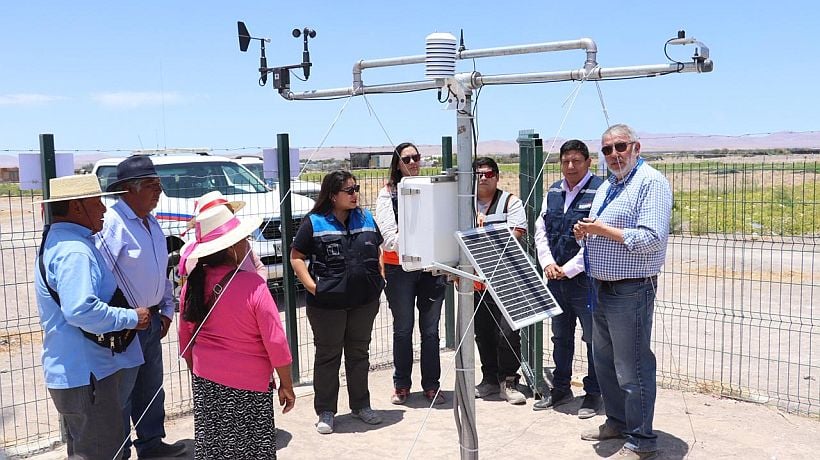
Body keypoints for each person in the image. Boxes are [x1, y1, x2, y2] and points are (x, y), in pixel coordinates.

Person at [34, 174, 151, 460]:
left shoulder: (59, 240)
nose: (103, 209)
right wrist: (130, 318)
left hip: (76, 373)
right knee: (101, 452)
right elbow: (80, 310)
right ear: (77, 207)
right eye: (97, 201)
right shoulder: (75, 251)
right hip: (88, 376)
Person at [573, 124, 672, 460]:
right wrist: (586, 232)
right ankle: (617, 421)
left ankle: (643, 439)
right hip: (601, 287)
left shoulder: (651, 183)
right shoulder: (610, 186)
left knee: (633, 367)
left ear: (636, 147)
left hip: (631, 291)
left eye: (620, 147)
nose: (613, 155)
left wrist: (603, 229)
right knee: (605, 363)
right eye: (607, 150)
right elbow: (606, 229)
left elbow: (651, 238)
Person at [178, 203, 294, 459]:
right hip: (250, 386)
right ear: (231, 248)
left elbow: (185, 341)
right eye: (244, 239)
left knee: (215, 450)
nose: (246, 243)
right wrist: (287, 384)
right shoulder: (253, 285)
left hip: (206, 382)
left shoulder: (192, 284)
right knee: (252, 451)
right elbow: (276, 342)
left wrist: (200, 374)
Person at [97, 155, 186, 459]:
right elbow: (101, 278)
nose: (158, 190)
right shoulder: (113, 224)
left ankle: (151, 445)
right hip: (125, 325)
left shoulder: (151, 223)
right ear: (128, 190)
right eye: (151, 185)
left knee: (150, 389)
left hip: (151, 320)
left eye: (159, 184)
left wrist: (167, 311)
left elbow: (160, 272)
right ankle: (119, 452)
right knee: (122, 395)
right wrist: (123, 318)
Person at [290, 170, 385, 434]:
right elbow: (296, 256)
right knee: (328, 356)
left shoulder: (366, 218)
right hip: (327, 306)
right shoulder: (315, 222)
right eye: (349, 190)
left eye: (356, 189)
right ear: (333, 196)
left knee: (358, 354)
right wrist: (312, 286)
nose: (356, 194)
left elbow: (377, 248)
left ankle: (361, 405)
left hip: (364, 302)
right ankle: (326, 411)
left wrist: (380, 277)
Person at [533, 139, 604, 417]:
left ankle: (594, 393)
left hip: (584, 280)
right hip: (555, 279)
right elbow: (541, 229)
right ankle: (560, 388)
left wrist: (570, 268)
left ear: (588, 162)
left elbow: (597, 240)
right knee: (560, 336)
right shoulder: (553, 191)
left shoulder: (599, 191)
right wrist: (548, 263)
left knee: (593, 338)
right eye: (565, 161)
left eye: (576, 160)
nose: (571, 166)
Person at [375, 142, 446, 406]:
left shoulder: (431, 189)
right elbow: (390, 239)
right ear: (397, 163)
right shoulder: (387, 195)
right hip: (400, 270)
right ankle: (402, 385)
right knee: (403, 329)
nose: (414, 162)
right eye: (407, 158)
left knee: (430, 331)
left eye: (417, 157)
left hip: (430, 269)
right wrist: (419, 237)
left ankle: (431, 385)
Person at [471, 157, 529, 405]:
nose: (483, 177)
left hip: (506, 279)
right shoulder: (465, 205)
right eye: (478, 174)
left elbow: (516, 234)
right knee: (482, 332)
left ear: (497, 176)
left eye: (488, 173)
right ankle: (489, 380)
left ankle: (508, 380)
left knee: (507, 331)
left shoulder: (510, 202)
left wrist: (482, 236)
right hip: (476, 281)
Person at [178, 190, 268, 280]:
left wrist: (258, 287)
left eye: (229, 212)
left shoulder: (243, 243)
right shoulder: (197, 256)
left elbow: (260, 267)